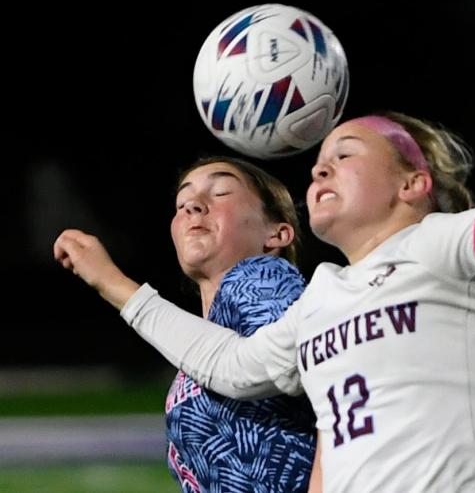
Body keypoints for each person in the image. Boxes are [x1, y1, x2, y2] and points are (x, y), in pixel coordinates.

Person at [54, 112, 475, 492]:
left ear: (414, 183)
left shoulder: (445, 247)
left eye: (345, 154)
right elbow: (230, 366)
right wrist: (114, 283)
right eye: (318, 163)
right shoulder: (320, 300)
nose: (319, 167)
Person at [66, 156, 319, 492]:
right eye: (182, 202)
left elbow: (268, 366)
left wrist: (112, 282)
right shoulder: (212, 330)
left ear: (277, 233)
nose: (193, 207)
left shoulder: (264, 278)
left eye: (221, 193)